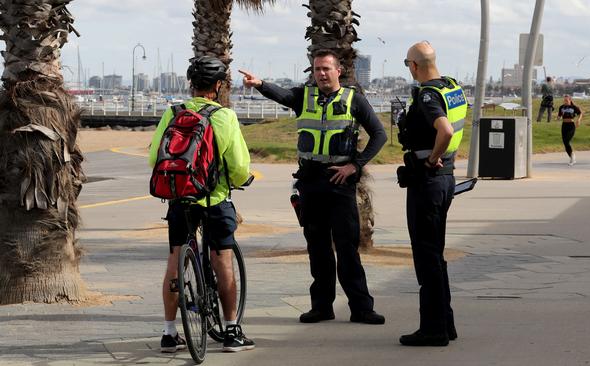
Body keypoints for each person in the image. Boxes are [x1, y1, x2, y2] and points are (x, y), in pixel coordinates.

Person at [239, 49, 387, 325]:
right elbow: (280, 95)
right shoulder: (303, 96)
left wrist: (355, 165)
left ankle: (362, 307)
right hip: (310, 182)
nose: (320, 73)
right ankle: (321, 307)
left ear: (338, 71)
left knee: (347, 248)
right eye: (317, 69)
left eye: (326, 69)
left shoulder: (355, 99)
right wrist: (258, 84)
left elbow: (380, 134)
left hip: (339, 182)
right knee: (317, 248)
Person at [149, 56, 255, 353]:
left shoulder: (172, 113)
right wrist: (241, 178)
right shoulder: (224, 117)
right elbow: (238, 166)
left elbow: (152, 158)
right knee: (222, 258)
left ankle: (169, 333)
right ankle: (232, 330)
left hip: (179, 197)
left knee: (175, 259)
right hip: (214, 198)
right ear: (219, 85)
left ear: (190, 83)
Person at [397, 41, 467, 347]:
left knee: (426, 256)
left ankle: (433, 329)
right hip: (446, 178)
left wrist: (428, 160)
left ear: (414, 65)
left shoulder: (427, 94)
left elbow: (446, 130)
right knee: (435, 254)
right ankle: (445, 323)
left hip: (428, 182)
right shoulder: (452, 87)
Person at [556, 94, 582, 166]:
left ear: (570, 100)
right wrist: (558, 118)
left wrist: (578, 120)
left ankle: (572, 156)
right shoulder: (561, 107)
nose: (565, 101)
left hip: (571, 125)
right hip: (564, 125)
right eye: (564, 100)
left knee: (567, 141)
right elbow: (559, 116)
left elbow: (580, 113)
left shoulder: (574, 107)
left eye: (566, 100)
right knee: (565, 143)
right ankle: (571, 157)